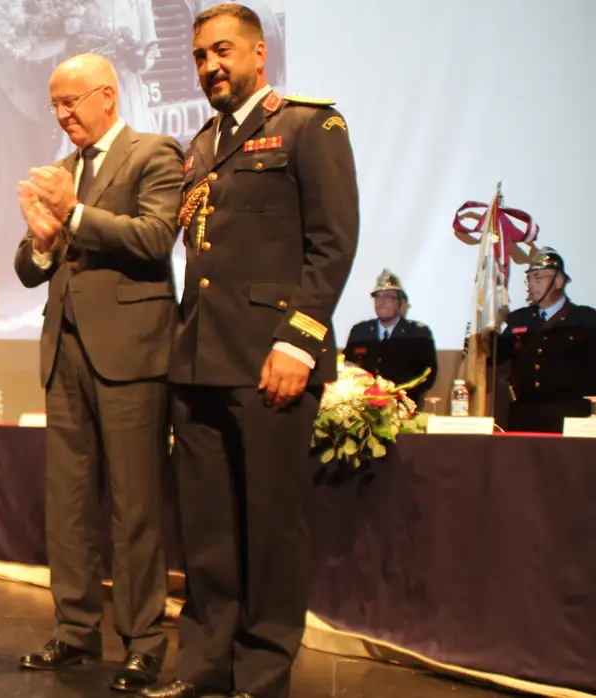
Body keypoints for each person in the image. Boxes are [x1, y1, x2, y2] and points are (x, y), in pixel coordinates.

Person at [144, 4, 359, 697]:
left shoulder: (307, 124)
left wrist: (298, 343)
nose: (211, 67)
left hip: (271, 358)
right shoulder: (202, 144)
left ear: (260, 53)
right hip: (201, 359)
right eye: (202, 56)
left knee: (270, 531)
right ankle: (204, 669)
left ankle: (262, 677)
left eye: (224, 52)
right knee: (207, 532)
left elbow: (332, 244)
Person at [13, 53, 185, 693]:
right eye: (55, 104)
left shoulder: (153, 153)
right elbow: (30, 265)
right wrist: (41, 239)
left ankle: (142, 641)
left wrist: (77, 216)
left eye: (70, 102)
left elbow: (155, 236)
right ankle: (74, 629)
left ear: (107, 96)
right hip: (65, 352)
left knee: (136, 505)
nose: (61, 115)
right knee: (69, 503)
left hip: (133, 353)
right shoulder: (60, 171)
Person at [496, 247, 596, 433]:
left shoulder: (586, 319)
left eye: (538, 278)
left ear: (558, 281)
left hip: (570, 417)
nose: (531, 285)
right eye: (529, 278)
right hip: (525, 416)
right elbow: (499, 358)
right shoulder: (519, 319)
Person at [342, 269, 438, 405]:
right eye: (378, 297)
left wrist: (398, 394)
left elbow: (427, 376)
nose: (382, 302)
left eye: (389, 296)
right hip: (364, 407)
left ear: (401, 302)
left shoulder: (418, 334)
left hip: (404, 406)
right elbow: (348, 369)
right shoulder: (359, 332)